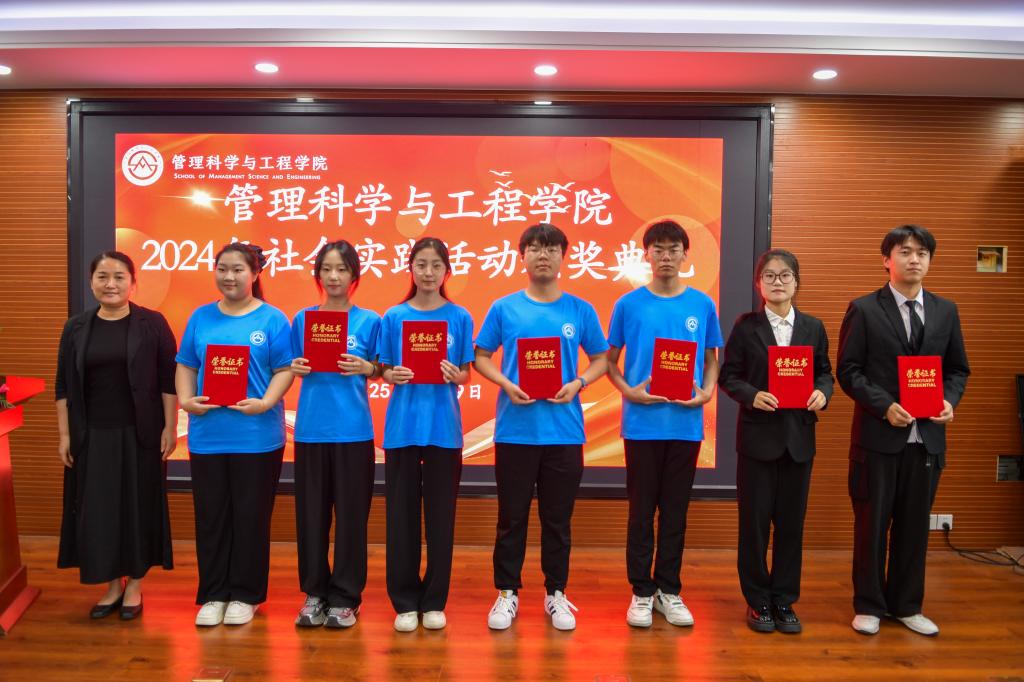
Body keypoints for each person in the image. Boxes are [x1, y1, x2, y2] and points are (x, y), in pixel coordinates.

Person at [475, 222, 609, 632]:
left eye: (551, 248)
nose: (543, 255)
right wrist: (506, 383)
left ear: (563, 257)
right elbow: (480, 356)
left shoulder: (580, 310)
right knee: (511, 519)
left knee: (557, 520)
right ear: (523, 256)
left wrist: (579, 383)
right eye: (534, 248)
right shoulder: (504, 308)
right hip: (515, 432)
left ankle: (556, 593)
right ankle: (507, 592)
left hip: (564, 432)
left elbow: (601, 359)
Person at [837, 225, 969, 637]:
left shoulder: (946, 311)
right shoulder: (864, 309)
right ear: (887, 260)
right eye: (905, 251)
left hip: (927, 439)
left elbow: (958, 369)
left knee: (914, 528)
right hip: (878, 438)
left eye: (922, 253)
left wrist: (948, 400)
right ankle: (869, 604)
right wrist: (883, 406)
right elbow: (849, 371)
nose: (914, 259)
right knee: (872, 525)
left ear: (930, 260)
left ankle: (907, 605)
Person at [605, 220, 723, 629]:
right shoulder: (628, 304)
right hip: (641, 424)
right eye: (658, 249)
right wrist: (629, 391)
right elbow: (610, 361)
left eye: (674, 249)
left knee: (675, 512)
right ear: (646, 255)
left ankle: (668, 590)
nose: (666, 256)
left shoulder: (702, 304)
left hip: (686, 424)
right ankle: (641, 591)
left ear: (685, 255)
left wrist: (707, 393)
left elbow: (711, 360)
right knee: (641, 513)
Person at [175, 242, 294, 627]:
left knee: (251, 517)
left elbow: (285, 369)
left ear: (255, 274)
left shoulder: (272, 319)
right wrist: (186, 400)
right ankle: (213, 593)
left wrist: (266, 402)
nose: (229, 277)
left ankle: (246, 594)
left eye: (238, 269)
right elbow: (186, 364)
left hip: (257, 436)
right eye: (222, 269)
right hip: (208, 434)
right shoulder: (201, 317)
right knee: (211, 517)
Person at [56, 251, 177, 620]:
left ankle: (135, 585)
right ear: (92, 282)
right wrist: (65, 435)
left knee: (137, 509)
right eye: (103, 277)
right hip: (92, 436)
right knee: (101, 512)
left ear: (133, 283)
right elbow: (63, 386)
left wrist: (170, 427)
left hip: (140, 434)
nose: (110, 284)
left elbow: (168, 381)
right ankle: (112, 585)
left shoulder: (152, 323)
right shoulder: (76, 327)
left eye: (119, 277)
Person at [719, 248, 833, 634]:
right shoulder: (746, 326)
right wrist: (752, 395)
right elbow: (729, 376)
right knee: (754, 526)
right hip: (758, 441)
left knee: (791, 525)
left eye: (785, 275)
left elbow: (825, 373)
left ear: (796, 282)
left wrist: (822, 393)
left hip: (799, 441)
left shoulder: (813, 327)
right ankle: (757, 600)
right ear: (758, 284)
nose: (777, 282)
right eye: (769, 275)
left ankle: (784, 599)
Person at [378, 237, 474, 632]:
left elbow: (467, 372)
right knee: (401, 518)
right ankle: (404, 601)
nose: (429, 272)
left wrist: (456, 375)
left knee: (440, 518)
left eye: (436, 265)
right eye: (421, 264)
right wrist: (392, 374)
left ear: (447, 271)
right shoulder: (394, 316)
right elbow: (382, 368)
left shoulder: (459, 317)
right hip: (402, 429)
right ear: (411, 269)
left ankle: (434, 600)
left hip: (444, 430)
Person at [289, 240, 381, 629]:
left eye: (342, 269)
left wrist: (368, 368)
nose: (333, 276)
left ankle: (345, 597)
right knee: (311, 517)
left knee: (351, 518)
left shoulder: (370, 321)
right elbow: (287, 365)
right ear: (317, 275)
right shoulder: (302, 320)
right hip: (311, 430)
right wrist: (294, 367)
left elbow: (383, 367)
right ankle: (314, 592)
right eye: (326, 268)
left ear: (354, 276)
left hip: (353, 431)